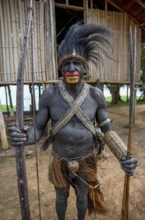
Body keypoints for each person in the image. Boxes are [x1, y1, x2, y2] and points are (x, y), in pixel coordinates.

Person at [10, 23, 137, 220]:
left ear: (84, 67)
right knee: (61, 198)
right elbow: (37, 130)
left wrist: (124, 156)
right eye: (66, 64)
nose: (71, 68)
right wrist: (22, 136)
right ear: (60, 68)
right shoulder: (49, 96)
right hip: (59, 161)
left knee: (82, 197)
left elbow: (107, 131)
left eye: (76, 63)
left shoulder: (96, 96)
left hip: (86, 160)